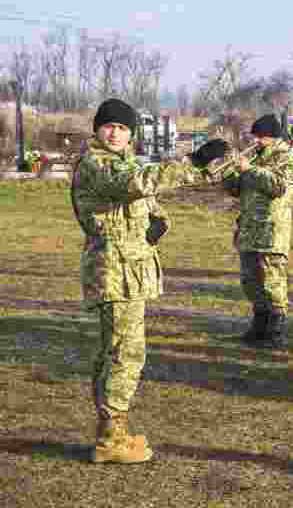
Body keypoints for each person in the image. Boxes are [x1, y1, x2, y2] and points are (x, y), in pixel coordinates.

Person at [72, 98, 228, 463]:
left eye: (123, 128)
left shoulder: (121, 161)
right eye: (109, 126)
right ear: (97, 129)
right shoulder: (96, 163)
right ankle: (111, 438)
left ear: (131, 135)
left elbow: (144, 196)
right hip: (114, 270)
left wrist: (156, 222)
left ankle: (113, 429)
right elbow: (137, 182)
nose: (115, 133)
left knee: (116, 351)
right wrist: (193, 162)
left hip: (129, 267)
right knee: (124, 353)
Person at [221, 114, 293, 349]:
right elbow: (236, 190)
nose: (255, 141)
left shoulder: (286, 157)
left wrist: (250, 170)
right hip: (249, 228)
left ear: (270, 136)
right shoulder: (256, 156)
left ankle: (276, 331)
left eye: (259, 137)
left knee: (272, 281)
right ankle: (259, 325)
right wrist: (229, 172)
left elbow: (279, 186)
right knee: (251, 280)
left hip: (271, 230)